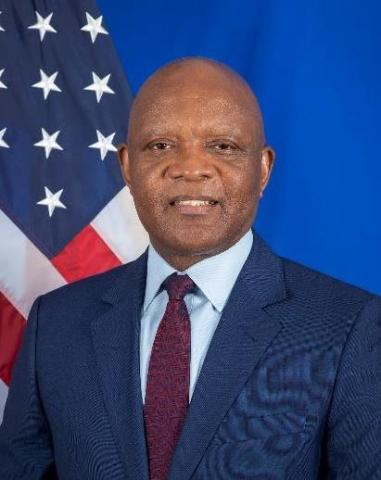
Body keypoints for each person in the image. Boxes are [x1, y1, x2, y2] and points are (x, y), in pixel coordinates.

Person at [0, 57, 380, 480]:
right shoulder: (55, 323)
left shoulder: (349, 326)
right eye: (161, 145)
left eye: (223, 146)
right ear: (127, 166)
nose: (190, 168)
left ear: (263, 168)